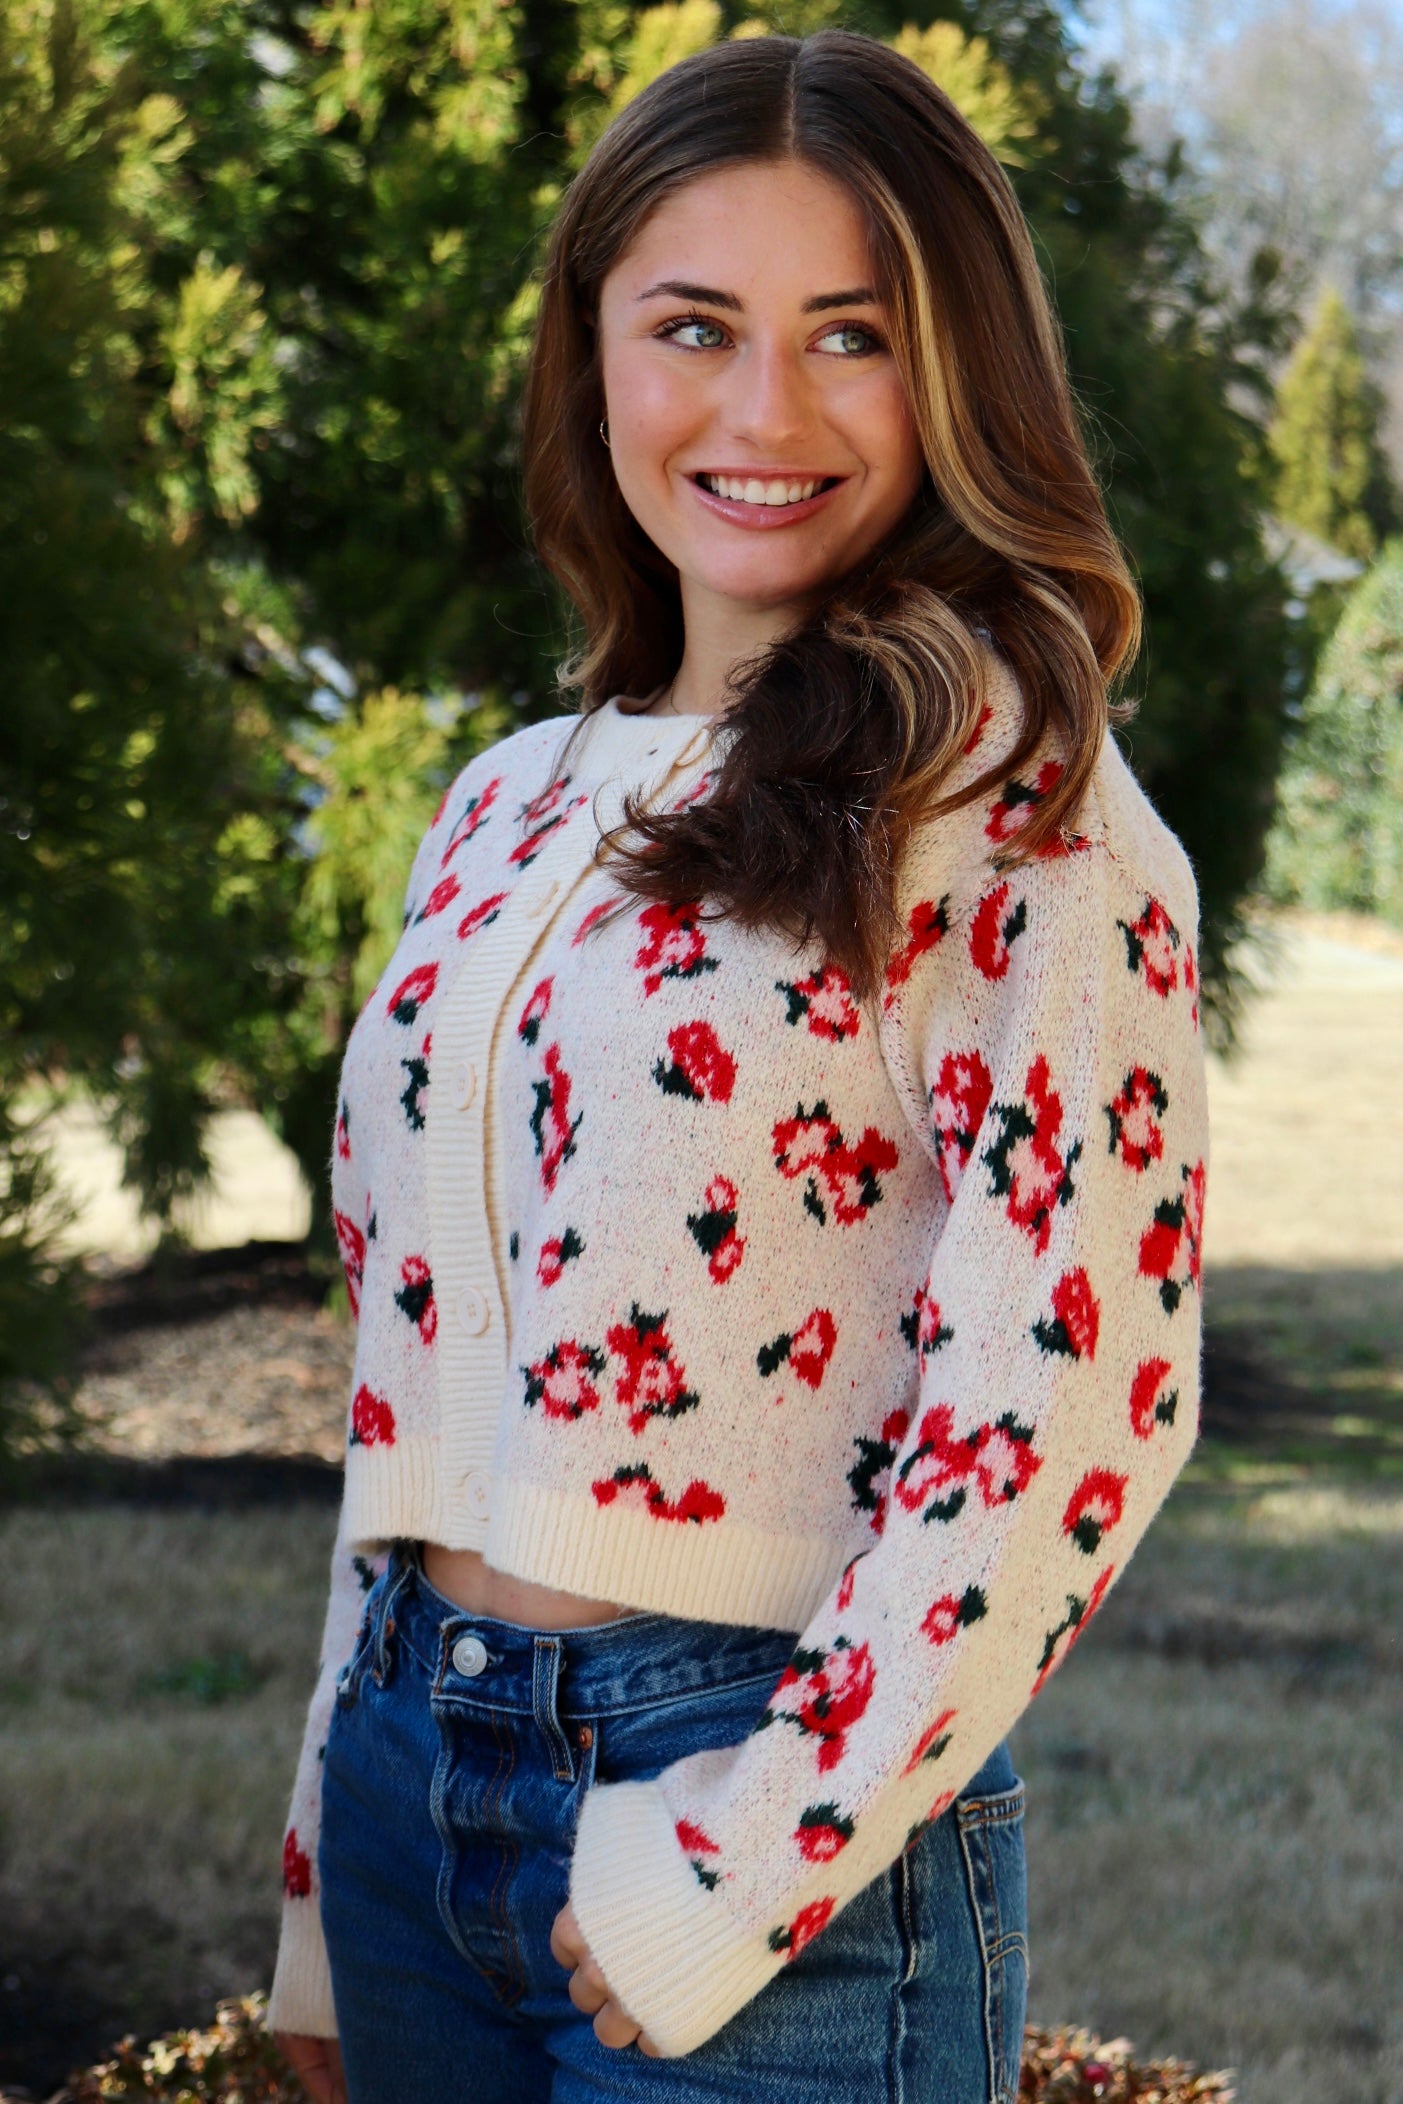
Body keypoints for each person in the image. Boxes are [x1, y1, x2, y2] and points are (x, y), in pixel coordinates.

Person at [267, 28, 1208, 2104]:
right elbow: (415, 1369)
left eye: (851, 336)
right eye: (693, 326)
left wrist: (750, 1846)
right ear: (592, 347)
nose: (764, 412)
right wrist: (326, 1883)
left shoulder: (1014, 796)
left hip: (760, 1821)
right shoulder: (509, 798)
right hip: (418, 1778)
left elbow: (1073, 1396)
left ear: (957, 372)